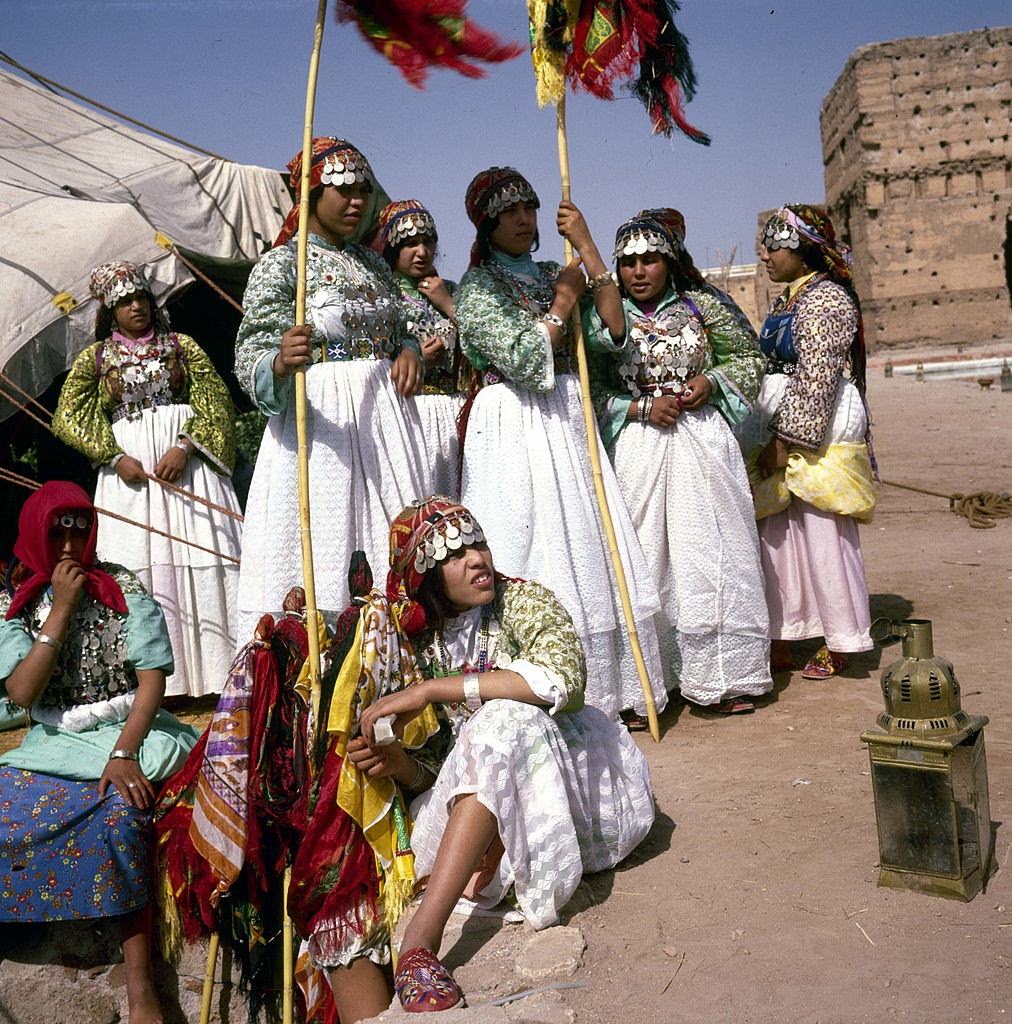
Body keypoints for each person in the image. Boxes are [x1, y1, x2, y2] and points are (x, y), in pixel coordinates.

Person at [309, 496, 654, 1019]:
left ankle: (420, 941)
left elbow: (564, 680)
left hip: (563, 789)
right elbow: (441, 766)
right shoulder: (416, 647)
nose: (476, 559)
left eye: (478, 544)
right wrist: (394, 762)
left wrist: (434, 692)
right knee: (483, 735)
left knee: (504, 717)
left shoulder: (523, 602)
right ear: (425, 576)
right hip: (476, 809)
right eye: (454, 554)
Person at [454, 166, 666, 723]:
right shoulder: (478, 287)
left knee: (585, 536)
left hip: (566, 417)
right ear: (486, 223)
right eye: (508, 213)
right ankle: (535, 680)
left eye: (529, 208)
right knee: (532, 534)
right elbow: (523, 359)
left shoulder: (556, 269)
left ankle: (613, 684)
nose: (523, 220)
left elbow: (615, 335)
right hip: (513, 420)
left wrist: (590, 251)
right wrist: (562, 303)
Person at [0, 481, 198, 1024]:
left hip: (131, 732)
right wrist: (59, 610)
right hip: (54, 743)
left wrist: (124, 752)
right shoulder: (15, 603)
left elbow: (152, 680)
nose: (68, 544)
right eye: (55, 530)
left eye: (78, 528)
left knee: (120, 813)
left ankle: (141, 992)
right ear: (34, 533)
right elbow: (22, 693)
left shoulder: (124, 586)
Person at [234, 138, 428, 642]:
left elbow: (402, 323)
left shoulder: (377, 264)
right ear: (311, 194)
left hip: (386, 420)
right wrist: (278, 362)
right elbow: (249, 352)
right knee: (328, 541)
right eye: (342, 189)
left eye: (363, 189)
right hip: (321, 425)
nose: (357, 201)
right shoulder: (281, 265)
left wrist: (407, 349)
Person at [588, 209, 773, 713]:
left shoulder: (703, 305)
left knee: (709, 552)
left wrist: (709, 382)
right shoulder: (604, 317)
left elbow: (750, 358)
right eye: (628, 263)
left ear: (669, 262)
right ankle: (645, 685)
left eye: (650, 260)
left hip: (702, 443)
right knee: (642, 557)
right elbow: (589, 388)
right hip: (637, 449)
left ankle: (721, 677)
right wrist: (640, 405)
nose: (639, 271)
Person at [52, 260, 241, 697]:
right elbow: (69, 416)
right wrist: (113, 455)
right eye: (124, 302)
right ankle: (153, 684)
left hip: (187, 474)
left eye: (141, 298)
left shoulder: (182, 347)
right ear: (108, 310)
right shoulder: (96, 360)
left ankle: (218, 675)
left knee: (203, 555)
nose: (136, 307)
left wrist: (186, 446)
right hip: (131, 482)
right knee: (137, 562)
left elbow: (216, 400)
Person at [744, 204, 876, 679]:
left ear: (803, 250)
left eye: (775, 245)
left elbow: (818, 377)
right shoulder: (788, 301)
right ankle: (790, 629)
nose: (766, 255)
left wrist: (787, 443)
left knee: (823, 534)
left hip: (817, 428)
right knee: (779, 536)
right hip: (780, 420)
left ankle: (840, 639)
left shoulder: (828, 299)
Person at [378, 200, 463, 497]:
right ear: (392, 248)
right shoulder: (382, 296)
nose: (422, 252)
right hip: (410, 412)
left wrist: (449, 304)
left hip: (457, 410)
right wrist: (418, 361)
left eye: (428, 242)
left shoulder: (452, 290)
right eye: (410, 244)